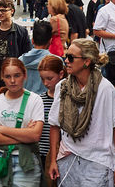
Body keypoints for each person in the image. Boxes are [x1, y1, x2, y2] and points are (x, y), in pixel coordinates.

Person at [46, 37, 115, 187]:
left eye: (71, 57)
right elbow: (54, 126)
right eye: (66, 56)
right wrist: (53, 161)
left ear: (86, 61)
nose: (66, 61)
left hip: (98, 162)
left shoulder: (105, 89)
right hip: (68, 159)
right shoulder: (62, 88)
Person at [0, 58, 45, 187]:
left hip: (26, 161)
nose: (12, 81)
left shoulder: (35, 100)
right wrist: (24, 135)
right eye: (8, 76)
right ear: (2, 78)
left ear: (25, 75)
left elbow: (35, 135)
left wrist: (2, 129)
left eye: (17, 75)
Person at [0, 0, 32, 86]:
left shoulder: (21, 32)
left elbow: (27, 54)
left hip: (15, 77)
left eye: (4, 10)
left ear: (12, 11)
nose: (0, 13)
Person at [36, 54, 65, 187]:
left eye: (49, 78)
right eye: (42, 79)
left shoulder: (67, 98)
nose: (46, 83)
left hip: (63, 154)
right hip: (42, 154)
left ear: (61, 74)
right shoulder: (39, 100)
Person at [21, 20, 56, 96]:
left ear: (32, 41)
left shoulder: (20, 61)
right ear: (50, 41)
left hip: (24, 103)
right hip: (47, 105)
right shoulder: (56, 62)